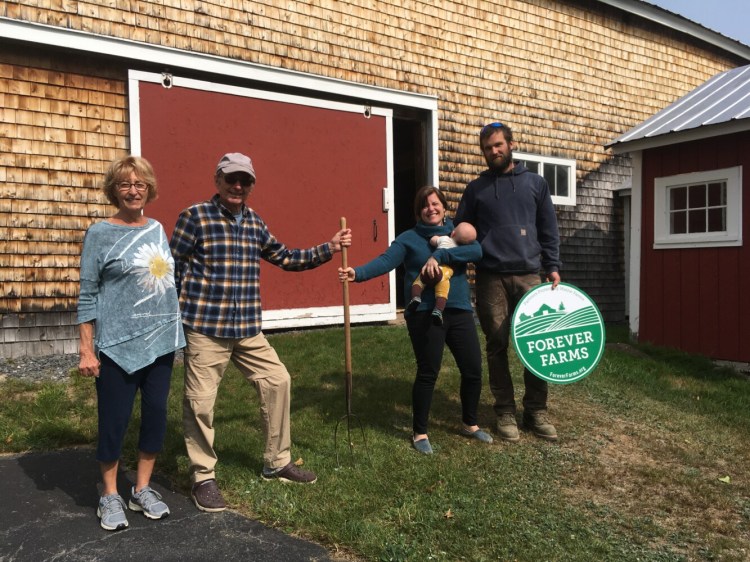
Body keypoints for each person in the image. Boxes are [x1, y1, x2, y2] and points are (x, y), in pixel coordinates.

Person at [170, 152, 351, 512]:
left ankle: (277, 461)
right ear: (217, 181)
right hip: (207, 327)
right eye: (231, 179)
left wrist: (328, 249)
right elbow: (172, 266)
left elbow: (285, 257)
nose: (238, 186)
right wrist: (172, 317)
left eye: (245, 180)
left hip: (247, 329)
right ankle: (203, 476)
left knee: (278, 380)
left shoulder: (254, 222)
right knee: (201, 402)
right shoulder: (194, 217)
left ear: (251, 185)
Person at [339, 186, 491, 455]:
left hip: (458, 310)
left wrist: (441, 255)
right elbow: (386, 261)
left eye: (435, 204)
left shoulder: (458, 233)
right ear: (418, 211)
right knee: (428, 371)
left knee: (473, 370)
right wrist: (357, 273)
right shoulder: (408, 239)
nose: (430, 208)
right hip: (424, 313)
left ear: (444, 207)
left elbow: (477, 253)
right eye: (424, 205)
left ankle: (470, 423)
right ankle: (420, 432)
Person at [78, 155, 186, 531]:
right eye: (125, 183)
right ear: (114, 189)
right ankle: (109, 494)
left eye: (140, 184)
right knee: (114, 421)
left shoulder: (156, 228)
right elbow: (88, 293)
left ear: (149, 189)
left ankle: (141, 488)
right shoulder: (99, 233)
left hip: (160, 342)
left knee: (156, 416)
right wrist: (86, 349)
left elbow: (164, 281)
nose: (133, 190)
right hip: (116, 344)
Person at [454, 121, 562, 443]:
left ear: (511, 145)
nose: (493, 151)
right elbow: (461, 226)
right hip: (491, 277)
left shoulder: (535, 184)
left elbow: (548, 229)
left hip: (530, 274)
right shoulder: (477, 189)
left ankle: (536, 411)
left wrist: (552, 266)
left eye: (498, 145)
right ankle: (505, 412)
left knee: (536, 344)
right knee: (497, 345)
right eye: (487, 148)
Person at [406, 221, 477, 326]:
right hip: (444, 274)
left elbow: (432, 240)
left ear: (453, 233)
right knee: (442, 294)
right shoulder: (462, 250)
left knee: (419, 282)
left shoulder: (445, 239)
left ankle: (416, 297)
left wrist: (435, 238)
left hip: (432, 268)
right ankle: (438, 310)